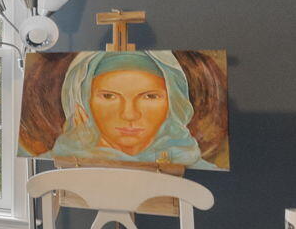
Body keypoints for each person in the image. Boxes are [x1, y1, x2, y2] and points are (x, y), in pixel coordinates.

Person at [48, 49, 207, 167]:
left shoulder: (194, 165)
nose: (129, 115)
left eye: (150, 96)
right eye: (109, 96)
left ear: (173, 102)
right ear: (82, 101)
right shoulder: (56, 163)